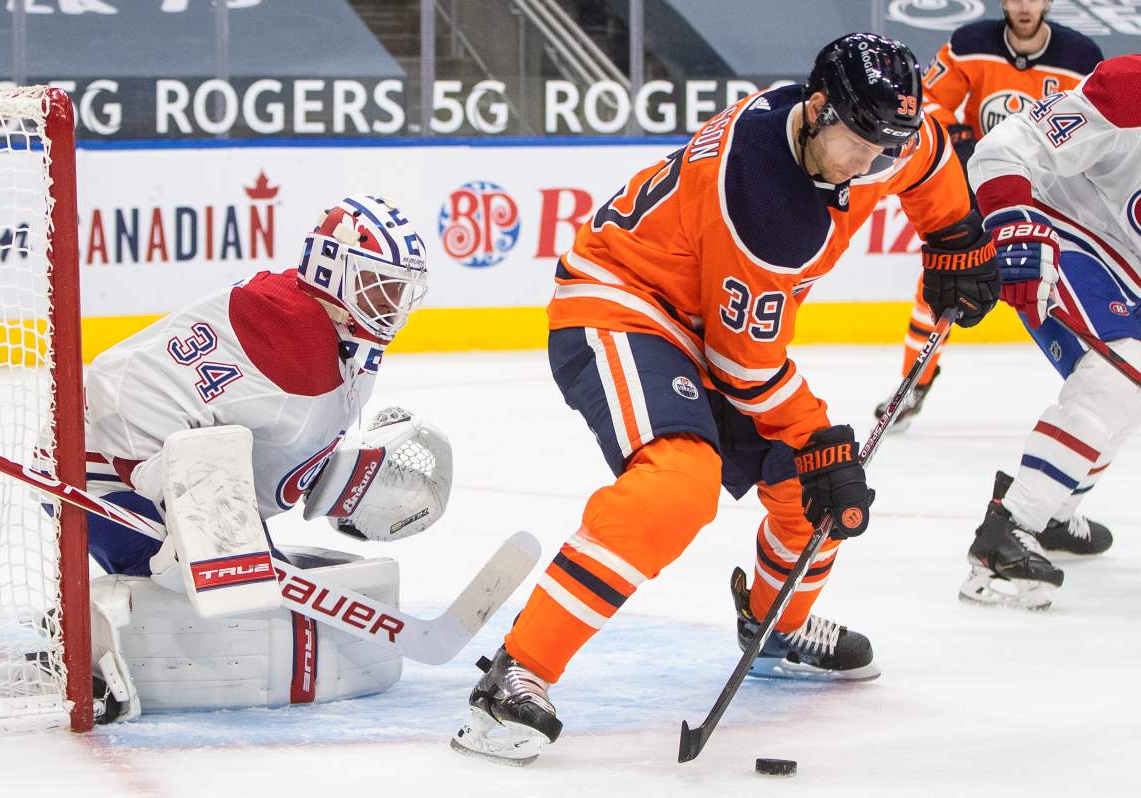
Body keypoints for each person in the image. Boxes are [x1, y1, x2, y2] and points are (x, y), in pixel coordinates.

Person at [450, 33, 1000, 765]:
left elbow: (926, 156)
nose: (874, 162)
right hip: (623, 305)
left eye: (886, 144)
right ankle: (518, 671)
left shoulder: (876, 131)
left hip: (714, 318)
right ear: (817, 109)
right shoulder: (765, 201)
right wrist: (819, 438)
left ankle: (774, 626)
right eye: (862, 143)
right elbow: (743, 368)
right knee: (680, 484)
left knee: (810, 490)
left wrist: (953, 236)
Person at [79, 195, 449, 721]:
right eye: (378, 285)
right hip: (93, 473)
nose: (391, 303)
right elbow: (124, 386)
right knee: (221, 607)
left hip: (163, 468)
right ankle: (82, 644)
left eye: (399, 290)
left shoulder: (336, 334)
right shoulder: (286, 332)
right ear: (334, 273)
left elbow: (265, 435)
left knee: (256, 601)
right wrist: (172, 489)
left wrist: (338, 480)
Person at [959, 54, 1140, 610]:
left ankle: (1056, 509)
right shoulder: (1127, 89)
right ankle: (1008, 529)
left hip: (1125, 263)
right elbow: (1001, 150)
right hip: (1053, 219)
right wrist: (1014, 222)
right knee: (1122, 369)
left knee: (1128, 386)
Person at [875, 0, 1102, 434]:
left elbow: (1100, 124)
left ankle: (1100, 388)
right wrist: (955, 133)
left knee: (1069, 295)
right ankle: (914, 383)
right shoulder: (969, 44)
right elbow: (927, 100)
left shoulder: (1081, 58)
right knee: (942, 284)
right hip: (986, 186)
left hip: (1054, 196)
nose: (1023, 7)